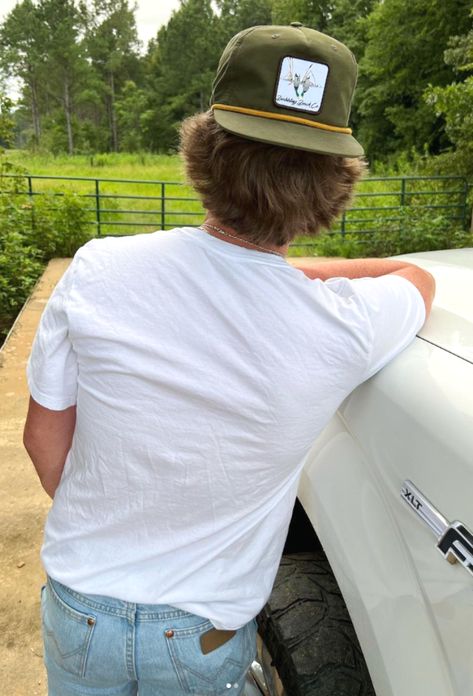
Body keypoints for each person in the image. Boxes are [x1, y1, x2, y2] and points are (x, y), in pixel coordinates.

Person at [23, 23, 435, 696]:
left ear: (203, 153)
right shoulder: (345, 327)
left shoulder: (99, 268)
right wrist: (282, 277)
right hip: (201, 637)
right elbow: (414, 278)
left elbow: (44, 445)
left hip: (80, 610)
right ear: (334, 183)